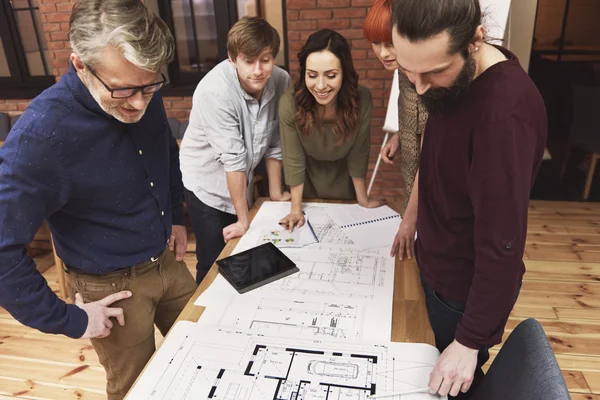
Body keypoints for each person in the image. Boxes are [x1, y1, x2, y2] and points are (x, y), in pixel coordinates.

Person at [0, 1, 198, 399]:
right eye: (123, 90)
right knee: (136, 387)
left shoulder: (139, 87)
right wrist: (69, 319)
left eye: (151, 86)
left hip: (167, 261)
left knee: (201, 349)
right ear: (80, 65)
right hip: (109, 289)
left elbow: (164, 155)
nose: (140, 103)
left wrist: (175, 214)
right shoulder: (41, 137)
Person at [390, 0, 547, 398]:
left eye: (432, 72)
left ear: (475, 39)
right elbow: (434, 147)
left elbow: (503, 245)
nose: (420, 86)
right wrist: (412, 216)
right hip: (435, 258)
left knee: (448, 384)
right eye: (408, 72)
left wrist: (469, 342)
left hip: (461, 291)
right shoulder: (456, 79)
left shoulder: (503, 117)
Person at [179, 17, 291, 284]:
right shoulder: (214, 91)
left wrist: (275, 193)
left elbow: (276, 141)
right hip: (206, 183)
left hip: (241, 176)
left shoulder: (281, 80)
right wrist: (243, 219)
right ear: (232, 58)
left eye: (265, 60)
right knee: (214, 260)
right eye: (248, 61)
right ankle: (206, 316)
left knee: (243, 251)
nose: (257, 70)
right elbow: (234, 161)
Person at [278, 29, 383, 231]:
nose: (320, 85)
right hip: (303, 187)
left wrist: (363, 200)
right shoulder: (289, 103)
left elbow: (359, 154)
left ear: (344, 72)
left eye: (331, 75)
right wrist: (296, 209)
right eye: (312, 75)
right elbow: (293, 159)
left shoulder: (361, 100)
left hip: (343, 185)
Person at [362, 0, 429, 260]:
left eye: (390, 42)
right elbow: (415, 113)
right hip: (412, 183)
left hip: (431, 189)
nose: (383, 52)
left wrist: (410, 219)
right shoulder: (402, 70)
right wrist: (400, 135)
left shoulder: (429, 77)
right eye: (376, 43)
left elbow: (431, 153)